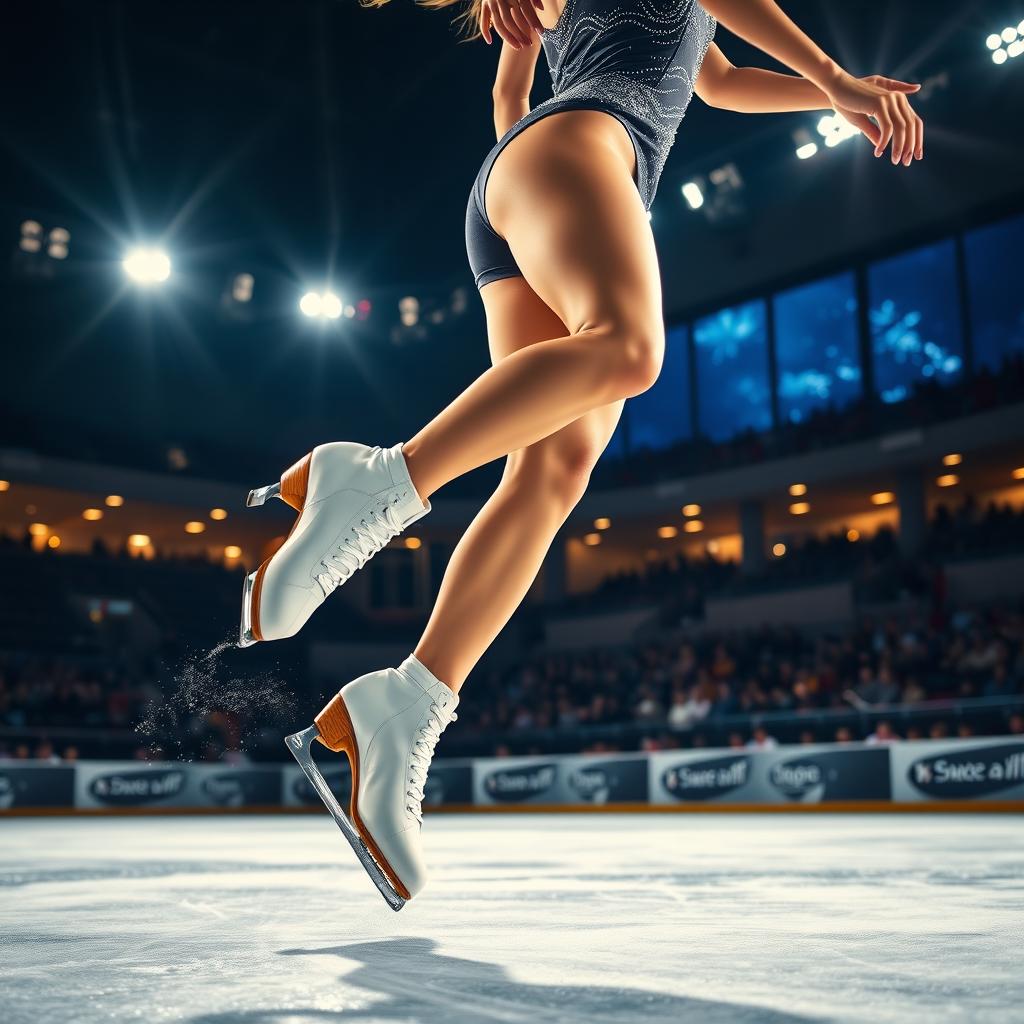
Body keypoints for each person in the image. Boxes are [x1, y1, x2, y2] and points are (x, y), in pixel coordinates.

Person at [250, 0, 925, 905]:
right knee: (630, 349)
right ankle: (370, 478)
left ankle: (405, 706)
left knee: (550, 474)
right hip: (578, 148)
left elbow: (710, 80)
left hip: (532, 178)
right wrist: (837, 77)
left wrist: (826, 99)